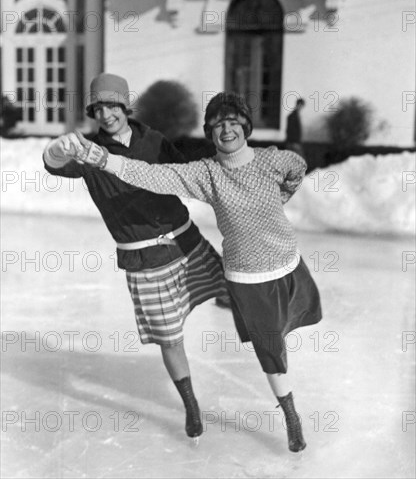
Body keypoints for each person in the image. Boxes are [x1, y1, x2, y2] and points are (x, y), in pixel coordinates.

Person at [73, 91, 323, 453]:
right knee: (271, 354)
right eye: (218, 125)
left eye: (233, 122)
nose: (226, 130)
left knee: (291, 329)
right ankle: (291, 416)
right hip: (248, 278)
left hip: (289, 265)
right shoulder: (207, 173)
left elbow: (296, 167)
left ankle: (282, 391)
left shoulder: (271, 160)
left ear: (245, 126)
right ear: (209, 132)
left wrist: (283, 193)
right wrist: (106, 160)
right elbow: (152, 175)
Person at [42, 74, 230, 440]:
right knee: (170, 339)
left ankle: (267, 351)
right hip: (145, 260)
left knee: (236, 292)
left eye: (112, 105)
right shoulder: (88, 152)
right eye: (99, 108)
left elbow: (188, 176)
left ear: (125, 106)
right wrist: (58, 150)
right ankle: (191, 406)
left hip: (187, 242)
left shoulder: (154, 140)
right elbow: (52, 164)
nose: (106, 114)